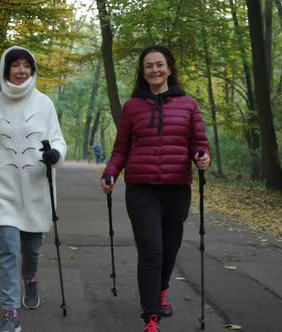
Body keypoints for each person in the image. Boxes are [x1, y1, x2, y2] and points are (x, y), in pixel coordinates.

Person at [100, 45, 210, 332]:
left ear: (170, 68)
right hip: (141, 190)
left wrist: (202, 156)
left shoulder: (188, 105)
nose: (155, 70)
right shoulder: (132, 107)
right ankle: (151, 318)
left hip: (177, 190)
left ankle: (160, 291)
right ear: (143, 72)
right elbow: (120, 149)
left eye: (159, 64)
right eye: (149, 66)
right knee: (151, 251)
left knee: (170, 249)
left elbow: (199, 142)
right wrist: (111, 172)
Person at [0, 46, 67, 332]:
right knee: (8, 250)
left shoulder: (44, 103)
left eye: (27, 65)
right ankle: (10, 312)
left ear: (33, 70)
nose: (21, 70)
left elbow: (58, 140)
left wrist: (55, 155)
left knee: (32, 249)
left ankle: (31, 278)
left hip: (36, 192)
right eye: (16, 65)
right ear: (6, 69)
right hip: (2, 192)